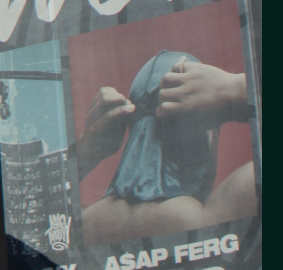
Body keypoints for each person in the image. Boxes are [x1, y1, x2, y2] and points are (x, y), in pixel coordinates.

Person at [75, 51, 257, 243]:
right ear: (209, 137)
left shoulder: (81, 225)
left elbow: (52, 195)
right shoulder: (219, 213)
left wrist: (86, 148)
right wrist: (235, 89)